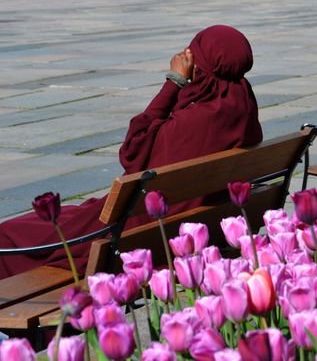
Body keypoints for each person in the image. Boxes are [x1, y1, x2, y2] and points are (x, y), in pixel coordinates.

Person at [0, 25, 263, 279]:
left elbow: (132, 152)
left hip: (130, 236)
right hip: (187, 228)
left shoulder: (194, 122)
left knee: (9, 234)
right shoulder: (244, 109)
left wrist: (174, 82)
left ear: (202, 65)